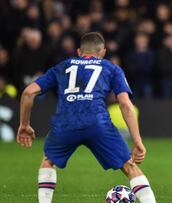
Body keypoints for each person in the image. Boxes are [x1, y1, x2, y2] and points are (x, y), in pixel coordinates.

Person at [16, 32, 156, 203]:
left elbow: (28, 92)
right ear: (103, 52)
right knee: (129, 166)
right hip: (98, 123)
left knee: (48, 161)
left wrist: (24, 124)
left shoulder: (62, 67)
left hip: (65, 123)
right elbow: (126, 105)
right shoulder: (111, 68)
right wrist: (137, 141)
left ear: (78, 51)